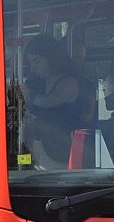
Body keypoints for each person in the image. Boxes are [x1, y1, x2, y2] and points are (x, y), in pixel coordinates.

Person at [20, 36, 92, 167]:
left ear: (51, 58)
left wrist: (29, 96)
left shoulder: (69, 82)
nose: (33, 68)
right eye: (30, 63)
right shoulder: (35, 83)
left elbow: (51, 101)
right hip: (35, 149)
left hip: (63, 153)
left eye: (37, 61)